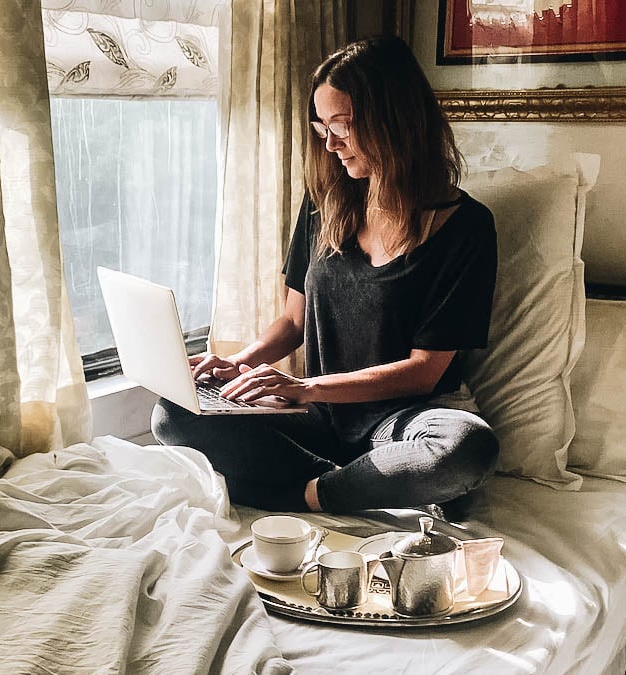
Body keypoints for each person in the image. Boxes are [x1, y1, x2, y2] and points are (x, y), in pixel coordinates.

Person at [152, 36, 499, 516]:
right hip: (323, 422)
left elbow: (424, 372)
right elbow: (294, 321)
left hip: (403, 421)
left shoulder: (466, 227)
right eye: (323, 128)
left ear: (394, 120)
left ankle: (309, 493)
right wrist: (241, 363)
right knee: (172, 414)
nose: (331, 144)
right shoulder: (323, 205)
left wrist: (307, 387)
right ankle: (347, 486)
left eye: (343, 125)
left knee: (467, 448)